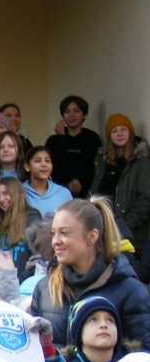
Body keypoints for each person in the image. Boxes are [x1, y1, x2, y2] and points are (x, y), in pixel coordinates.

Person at [30, 197, 150, 348]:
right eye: (54, 233)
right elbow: (31, 350)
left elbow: (142, 357)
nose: (55, 241)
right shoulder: (44, 288)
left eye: (64, 233)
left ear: (92, 237)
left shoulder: (130, 290)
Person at [91, 113, 150, 256]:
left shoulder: (141, 161)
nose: (119, 134)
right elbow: (94, 193)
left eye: (123, 129)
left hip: (131, 235)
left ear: (130, 132)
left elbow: (146, 199)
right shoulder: (101, 161)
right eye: (114, 131)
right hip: (103, 231)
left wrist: (122, 226)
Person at [0, 178, 42, 282]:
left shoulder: (32, 217)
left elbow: (36, 258)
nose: (1, 199)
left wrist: (21, 280)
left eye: (5, 193)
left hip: (24, 285)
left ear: (16, 193)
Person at [45, 95, 102, 198]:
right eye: (67, 111)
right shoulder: (53, 140)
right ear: (63, 116)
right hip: (58, 193)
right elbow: (52, 165)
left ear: (84, 115)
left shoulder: (92, 138)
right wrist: (60, 138)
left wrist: (80, 180)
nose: (71, 115)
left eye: (76, 111)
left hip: (86, 193)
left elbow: (94, 166)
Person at [23, 146, 73, 216]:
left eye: (47, 161)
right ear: (27, 167)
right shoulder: (19, 192)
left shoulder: (64, 193)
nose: (44, 164)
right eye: (38, 161)